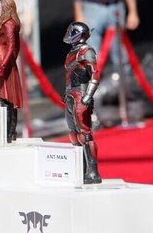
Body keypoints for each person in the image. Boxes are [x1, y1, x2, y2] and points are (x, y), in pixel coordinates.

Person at [62, 21, 101, 184]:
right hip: (71, 95)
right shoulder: (72, 53)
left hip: (81, 95)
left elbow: (95, 75)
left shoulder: (86, 51)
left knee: (85, 134)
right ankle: (80, 168)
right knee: (73, 134)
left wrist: (88, 96)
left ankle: (92, 171)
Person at [0, 0, 23, 143]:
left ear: (6, 7)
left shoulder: (9, 24)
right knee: (4, 99)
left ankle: (10, 132)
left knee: (8, 100)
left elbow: (12, 46)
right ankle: (8, 131)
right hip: (0, 61)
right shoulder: (4, 22)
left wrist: (3, 65)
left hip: (4, 64)